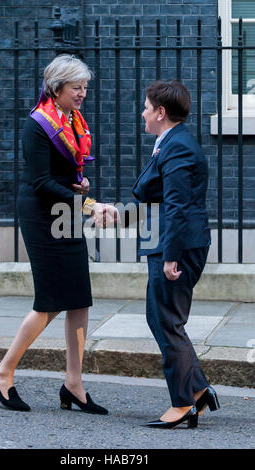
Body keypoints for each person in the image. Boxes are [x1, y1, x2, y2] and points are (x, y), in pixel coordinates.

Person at [0, 54, 108, 415]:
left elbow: (63, 173)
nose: (83, 93)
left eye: (85, 87)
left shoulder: (70, 119)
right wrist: (88, 204)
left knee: (79, 299)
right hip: (41, 215)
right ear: (56, 88)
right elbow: (40, 182)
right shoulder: (37, 125)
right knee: (50, 301)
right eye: (76, 87)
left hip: (64, 210)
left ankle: (73, 383)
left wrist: (80, 184)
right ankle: (2, 372)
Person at [95, 80, 220, 429]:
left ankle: (183, 403)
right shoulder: (169, 143)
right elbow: (159, 200)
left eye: (146, 107)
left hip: (176, 247)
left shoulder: (177, 147)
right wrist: (120, 213)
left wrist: (170, 256)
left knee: (167, 321)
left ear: (161, 113)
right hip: (169, 241)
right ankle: (197, 390)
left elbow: (179, 207)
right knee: (160, 318)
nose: (143, 113)